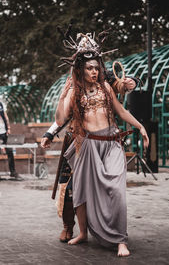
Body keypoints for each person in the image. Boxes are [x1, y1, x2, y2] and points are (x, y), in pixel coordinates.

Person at [54, 32, 149, 257]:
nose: (94, 72)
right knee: (80, 192)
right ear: (81, 70)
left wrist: (140, 126)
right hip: (88, 146)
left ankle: (120, 240)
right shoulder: (74, 92)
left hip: (111, 144)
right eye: (89, 68)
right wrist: (62, 95)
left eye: (97, 68)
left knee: (116, 191)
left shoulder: (106, 87)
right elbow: (59, 120)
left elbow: (121, 110)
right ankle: (83, 232)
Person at [41, 72, 139, 243]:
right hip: (78, 140)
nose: (92, 69)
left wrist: (132, 83)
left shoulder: (104, 78)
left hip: (104, 140)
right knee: (70, 186)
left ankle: (111, 230)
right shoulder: (74, 83)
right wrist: (49, 133)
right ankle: (69, 226)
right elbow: (64, 114)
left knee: (111, 186)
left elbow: (120, 85)